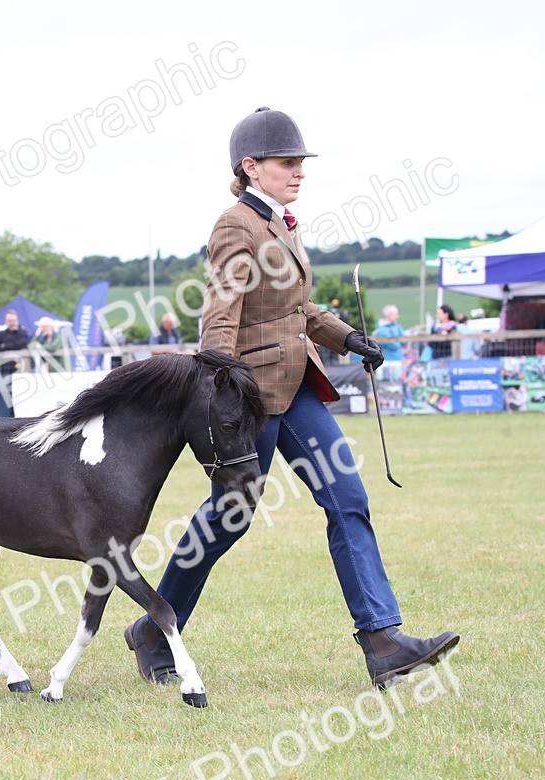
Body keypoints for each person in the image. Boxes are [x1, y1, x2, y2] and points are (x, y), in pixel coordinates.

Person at [123, 106, 458, 690]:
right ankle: (154, 630)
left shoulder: (284, 224)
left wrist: (348, 338)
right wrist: (219, 382)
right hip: (251, 396)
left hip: (299, 388)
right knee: (229, 519)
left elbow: (294, 310)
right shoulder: (236, 226)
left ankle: (382, 641)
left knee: (347, 497)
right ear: (251, 167)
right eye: (287, 162)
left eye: (301, 161)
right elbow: (221, 314)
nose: (299, 170)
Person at [0, 310, 30, 374]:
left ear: (17, 321)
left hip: (20, 366)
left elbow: (19, 344)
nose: (12, 323)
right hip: (6, 367)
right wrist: (12, 345)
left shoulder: (23, 332)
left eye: (13, 321)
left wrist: (4, 345)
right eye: (9, 321)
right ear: (6, 321)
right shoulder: (2, 333)